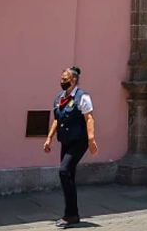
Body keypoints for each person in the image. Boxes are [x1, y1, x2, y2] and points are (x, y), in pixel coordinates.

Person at [43, 67, 97, 228]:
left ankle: (71, 214)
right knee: (68, 176)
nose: (62, 81)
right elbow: (56, 120)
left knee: (64, 171)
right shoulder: (59, 98)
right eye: (61, 79)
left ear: (73, 80)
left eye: (65, 79)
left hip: (79, 141)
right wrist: (49, 138)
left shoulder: (82, 97)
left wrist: (91, 139)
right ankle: (72, 214)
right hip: (66, 141)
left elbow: (89, 118)